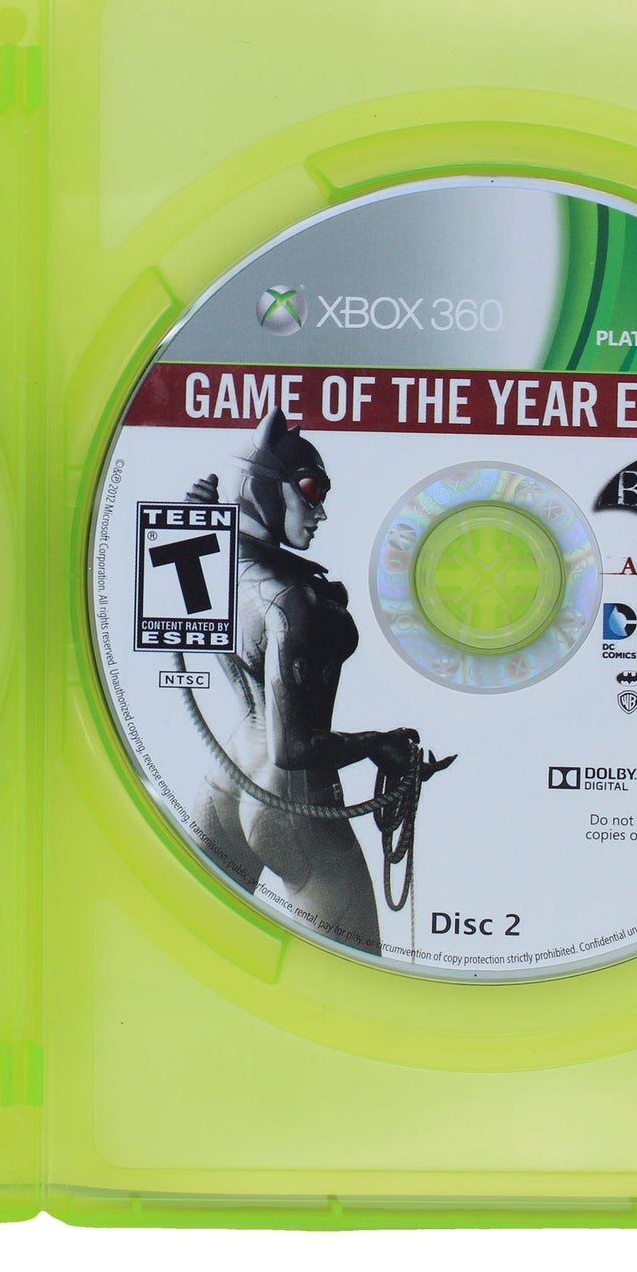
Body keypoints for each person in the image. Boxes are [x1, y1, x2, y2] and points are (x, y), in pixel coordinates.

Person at [186, 410, 441, 956]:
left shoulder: (211, 558)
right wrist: (379, 744)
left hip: (226, 778)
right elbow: (295, 749)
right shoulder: (293, 598)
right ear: (263, 489)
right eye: (309, 490)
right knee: (357, 980)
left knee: (200, 957)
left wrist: (202, 520)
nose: (321, 509)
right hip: (292, 802)